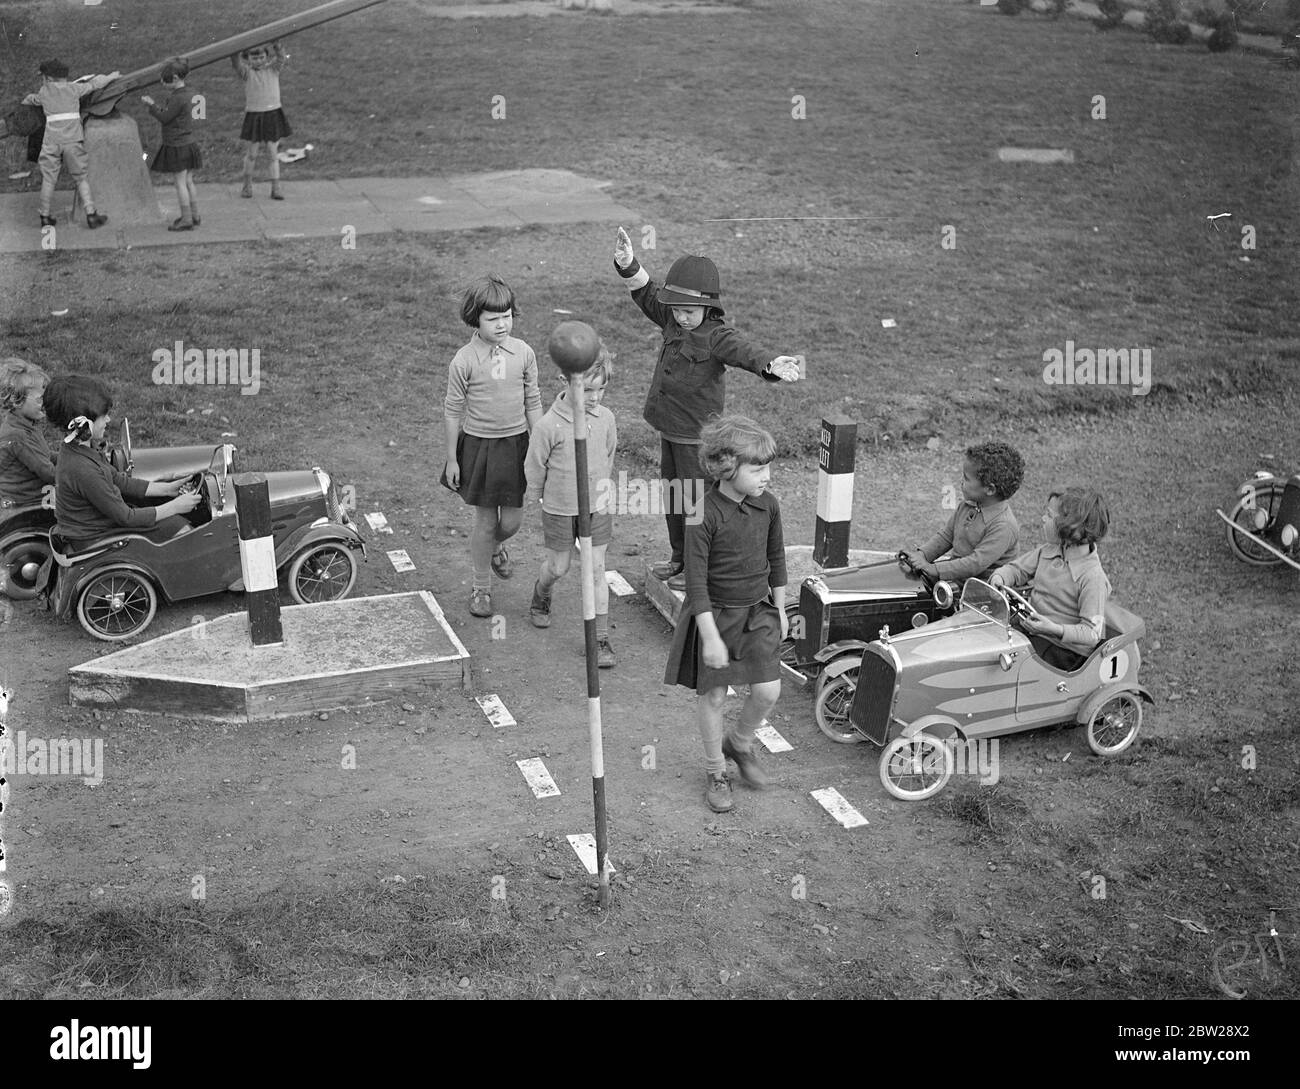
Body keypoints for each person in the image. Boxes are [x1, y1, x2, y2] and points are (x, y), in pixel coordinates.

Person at [612, 227, 802, 590]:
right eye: (677, 310)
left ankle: (702, 570)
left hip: (695, 440)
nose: (680, 317)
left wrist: (770, 364)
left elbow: (744, 351)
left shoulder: (717, 336)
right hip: (668, 430)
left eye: (688, 311)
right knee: (673, 499)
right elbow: (647, 293)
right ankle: (680, 559)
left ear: (708, 308)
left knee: (696, 507)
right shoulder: (671, 318)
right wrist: (627, 263)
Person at [664, 416, 788, 814]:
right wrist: (711, 636)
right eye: (757, 468)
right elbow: (696, 582)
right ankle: (716, 770)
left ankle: (739, 742)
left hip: (759, 611)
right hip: (714, 616)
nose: (766, 476)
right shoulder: (703, 513)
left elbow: (777, 557)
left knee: (768, 691)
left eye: (768, 466)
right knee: (714, 694)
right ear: (726, 467)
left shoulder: (768, 504)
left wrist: (782, 608)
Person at [443, 275, 542, 618]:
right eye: (492, 318)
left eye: (507, 316)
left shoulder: (524, 353)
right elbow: (453, 409)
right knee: (485, 522)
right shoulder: (464, 360)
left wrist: (540, 446)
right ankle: (481, 588)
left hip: (517, 446)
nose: (502, 324)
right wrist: (451, 458)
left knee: (511, 522)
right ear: (475, 319)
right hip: (480, 448)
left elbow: (533, 402)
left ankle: (496, 547)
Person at [523, 344, 618, 667]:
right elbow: (535, 466)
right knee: (559, 567)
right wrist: (538, 496)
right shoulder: (549, 425)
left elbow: (608, 455)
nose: (595, 397)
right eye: (588, 389)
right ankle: (542, 591)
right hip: (560, 507)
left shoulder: (606, 418)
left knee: (596, 569)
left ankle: (600, 639)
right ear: (565, 381)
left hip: (596, 506)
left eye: (601, 389)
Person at [43, 375, 200, 548]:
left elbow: (118, 480)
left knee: (161, 511)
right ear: (84, 424)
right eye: (104, 416)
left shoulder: (79, 450)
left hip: (95, 527)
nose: (108, 420)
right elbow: (126, 517)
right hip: (95, 538)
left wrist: (166, 489)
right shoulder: (83, 469)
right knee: (180, 528)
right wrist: (175, 507)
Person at [990, 487, 1111, 672]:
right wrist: (1001, 576)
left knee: (1010, 666)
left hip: (1063, 650)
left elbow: (1091, 633)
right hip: (1033, 630)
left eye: (1048, 515)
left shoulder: (1092, 577)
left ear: (1069, 527)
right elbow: (1017, 570)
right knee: (990, 643)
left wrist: (1054, 629)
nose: (1043, 519)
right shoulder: (1049, 550)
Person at [904, 440, 1024, 583]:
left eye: (967, 479)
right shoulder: (968, 505)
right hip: (959, 579)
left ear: (990, 489)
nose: (961, 482)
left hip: (983, 590)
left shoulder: (1003, 526)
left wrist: (934, 569)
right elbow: (946, 536)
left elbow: (975, 563)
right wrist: (923, 555)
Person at [22, 58, 122, 228]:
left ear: (49, 79)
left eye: (43, 77)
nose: (43, 80)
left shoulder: (44, 92)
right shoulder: (74, 89)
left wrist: (27, 99)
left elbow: (33, 99)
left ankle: (45, 216)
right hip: (73, 140)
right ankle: (91, 215)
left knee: (49, 179)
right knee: (81, 177)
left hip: (51, 142)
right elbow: (96, 84)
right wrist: (112, 76)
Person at [141, 58, 201, 231]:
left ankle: (186, 219)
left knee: (180, 182)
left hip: (177, 145)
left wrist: (152, 105)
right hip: (189, 142)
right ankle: (195, 215)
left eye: (164, 79)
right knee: (189, 181)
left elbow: (165, 118)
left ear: (175, 78)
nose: (161, 82)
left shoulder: (177, 98)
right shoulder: (191, 92)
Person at [231, 41, 291, 200]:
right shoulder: (246, 72)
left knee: (273, 153)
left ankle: (276, 187)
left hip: (272, 114)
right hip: (254, 116)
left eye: (261, 57)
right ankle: (247, 185)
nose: (258, 60)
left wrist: (277, 45)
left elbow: (281, 58)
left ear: (266, 56)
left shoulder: (273, 69)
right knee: (252, 153)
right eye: (254, 57)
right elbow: (236, 63)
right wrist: (234, 51)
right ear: (247, 58)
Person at [0, 358, 55, 508]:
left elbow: (45, 455)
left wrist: (69, 455)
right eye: (39, 400)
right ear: (16, 401)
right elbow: (50, 474)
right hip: (24, 505)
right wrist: (82, 473)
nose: (44, 404)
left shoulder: (27, 425)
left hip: (31, 498)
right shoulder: (17, 435)